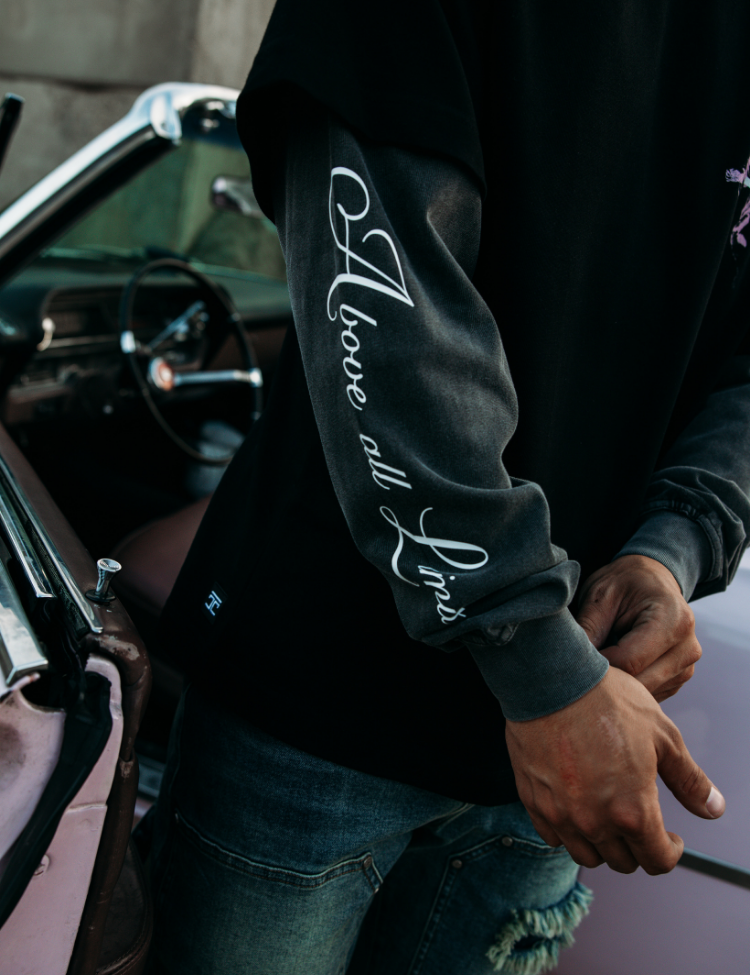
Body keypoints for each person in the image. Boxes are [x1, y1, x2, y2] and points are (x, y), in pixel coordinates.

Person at [147, 2, 750, 972]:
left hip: (542, 722)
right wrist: (560, 644)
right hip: (424, 713)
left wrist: (668, 549)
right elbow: (386, 313)